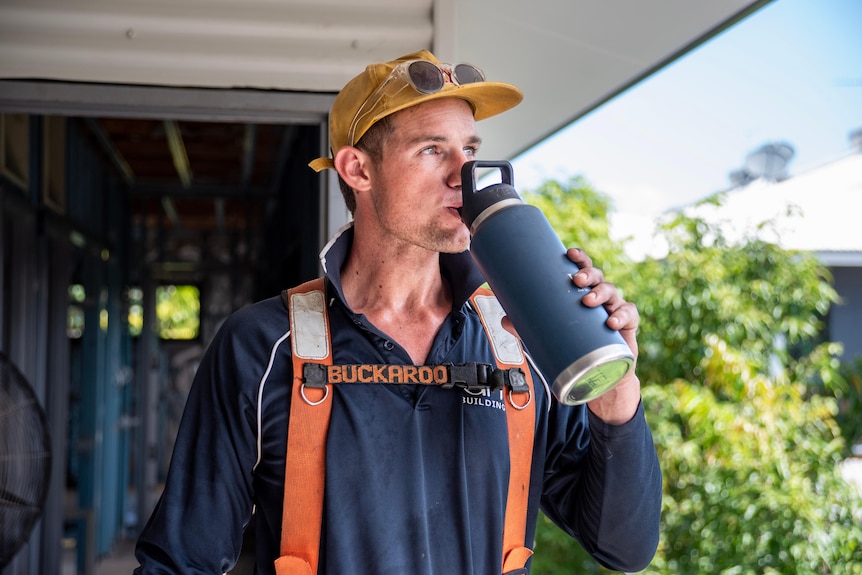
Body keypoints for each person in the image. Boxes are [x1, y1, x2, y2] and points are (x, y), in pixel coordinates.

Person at [134, 50, 662, 575]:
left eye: (470, 149)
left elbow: (623, 547)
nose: (466, 175)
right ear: (357, 168)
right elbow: (180, 563)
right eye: (433, 150)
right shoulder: (263, 346)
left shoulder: (522, 337)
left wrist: (616, 395)